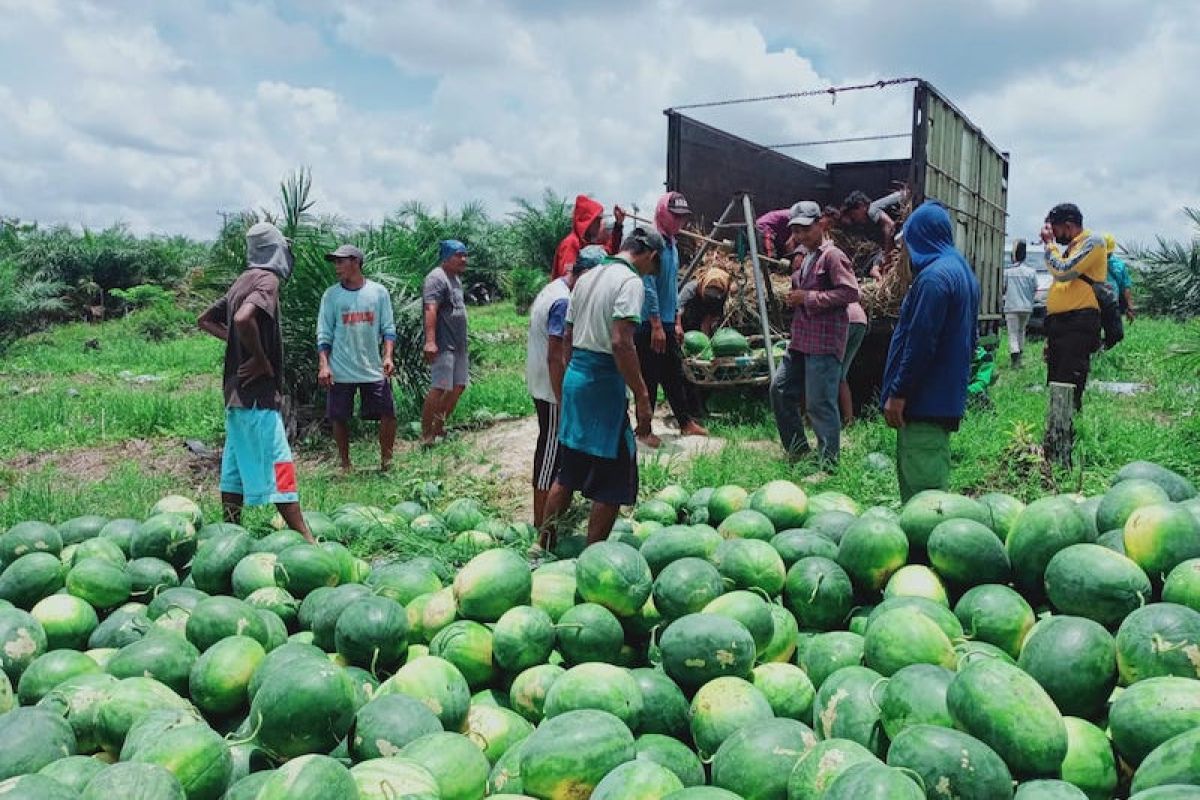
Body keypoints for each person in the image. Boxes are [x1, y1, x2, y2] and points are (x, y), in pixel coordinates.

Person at [539, 228, 663, 549]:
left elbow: (567, 337)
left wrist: (574, 378)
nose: (652, 272)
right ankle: (593, 557)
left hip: (576, 378)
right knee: (614, 479)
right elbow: (621, 342)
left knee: (568, 471)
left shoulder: (587, 277)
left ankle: (543, 544)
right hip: (602, 384)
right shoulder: (630, 282)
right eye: (655, 265)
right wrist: (643, 395)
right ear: (650, 254)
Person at [197, 222, 314, 541]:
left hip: (235, 396)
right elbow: (242, 319)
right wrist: (260, 359)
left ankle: (230, 533)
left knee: (232, 469)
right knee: (282, 464)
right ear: (277, 250)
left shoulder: (242, 281)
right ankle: (305, 538)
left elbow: (205, 320)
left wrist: (238, 344)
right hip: (257, 396)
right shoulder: (267, 279)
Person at [881, 201, 981, 501]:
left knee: (924, 501)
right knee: (930, 479)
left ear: (920, 239)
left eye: (908, 243)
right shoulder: (961, 271)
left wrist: (899, 392)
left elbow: (921, 344)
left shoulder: (934, 278)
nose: (907, 252)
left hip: (924, 402)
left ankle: (922, 550)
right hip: (941, 399)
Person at [770, 201, 859, 465]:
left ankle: (828, 463)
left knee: (819, 404)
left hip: (823, 342)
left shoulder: (833, 256)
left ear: (821, 224)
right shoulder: (807, 256)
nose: (800, 236)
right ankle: (797, 449)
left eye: (805, 229)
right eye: (795, 231)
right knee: (780, 389)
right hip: (800, 340)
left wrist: (808, 297)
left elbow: (850, 292)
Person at [525, 245, 605, 528]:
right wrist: (563, 398)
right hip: (551, 387)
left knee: (555, 452)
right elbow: (555, 355)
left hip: (542, 382)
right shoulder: (563, 301)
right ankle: (541, 524)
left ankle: (550, 516)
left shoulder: (556, 287)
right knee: (549, 453)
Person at [316, 244, 397, 472]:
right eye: (335, 262)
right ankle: (345, 465)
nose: (337, 267)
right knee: (339, 417)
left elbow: (388, 327)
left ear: (355, 262)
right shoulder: (331, 295)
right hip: (341, 368)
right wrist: (324, 364)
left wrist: (388, 356)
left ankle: (386, 462)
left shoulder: (378, 292)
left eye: (341, 262)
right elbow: (324, 332)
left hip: (372, 367)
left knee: (388, 414)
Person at [637, 191, 708, 443]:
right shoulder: (651, 241)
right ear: (662, 214)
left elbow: (672, 287)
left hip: (666, 321)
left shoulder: (672, 244)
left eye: (682, 218)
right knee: (650, 376)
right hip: (649, 323)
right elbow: (647, 284)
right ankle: (644, 429)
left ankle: (685, 422)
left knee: (674, 374)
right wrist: (656, 323)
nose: (680, 222)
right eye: (675, 216)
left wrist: (676, 320)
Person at [1040, 203, 1106, 410]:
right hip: (1061, 325)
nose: (1055, 235)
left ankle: (1069, 432)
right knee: (1056, 382)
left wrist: (1050, 245)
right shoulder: (1071, 248)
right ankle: (1057, 432)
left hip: (1078, 323)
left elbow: (1063, 272)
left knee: (1069, 383)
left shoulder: (1093, 242)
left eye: (1056, 229)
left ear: (1068, 226)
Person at [421, 240, 470, 445]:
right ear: (447, 257)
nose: (464, 259)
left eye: (465, 255)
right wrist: (430, 342)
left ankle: (439, 427)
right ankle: (425, 435)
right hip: (443, 344)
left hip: (459, 344)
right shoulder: (436, 278)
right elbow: (430, 309)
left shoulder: (455, 279)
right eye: (459, 255)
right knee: (439, 387)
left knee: (458, 386)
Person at [824, 209, 868, 425]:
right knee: (841, 373)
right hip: (860, 320)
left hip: (845, 320)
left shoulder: (825, 261)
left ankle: (820, 419)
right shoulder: (839, 267)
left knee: (829, 373)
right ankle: (849, 420)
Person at [551, 195, 625, 280]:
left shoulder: (589, 244)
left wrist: (618, 224)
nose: (600, 224)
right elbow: (568, 278)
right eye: (597, 220)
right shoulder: (571, 243)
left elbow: (609, 252)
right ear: (587, 221)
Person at [1003, 238, 1038, 368]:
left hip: (1011, 306)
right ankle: (1020, 358)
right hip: (1027, 306)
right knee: (1021, 331)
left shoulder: (1008, 271)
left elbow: (1003, 287)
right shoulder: (1031, 272)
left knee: (1012, 333)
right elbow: (1035, 288)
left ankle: (1015, 361)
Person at [678, 268, 731, 335]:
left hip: (700, 322)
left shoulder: (722, 295)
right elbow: (678, 307)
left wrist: (705, 337)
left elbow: (708, 318)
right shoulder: (692, 288)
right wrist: (678, 326)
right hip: (685, 319)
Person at [1104, 233, 1135, 322]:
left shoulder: (1119, 265)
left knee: (1115, 334)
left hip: (1112, 305)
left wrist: (1130, 306)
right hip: (1098, 307)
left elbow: (1126, 287)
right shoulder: (1092, 263)